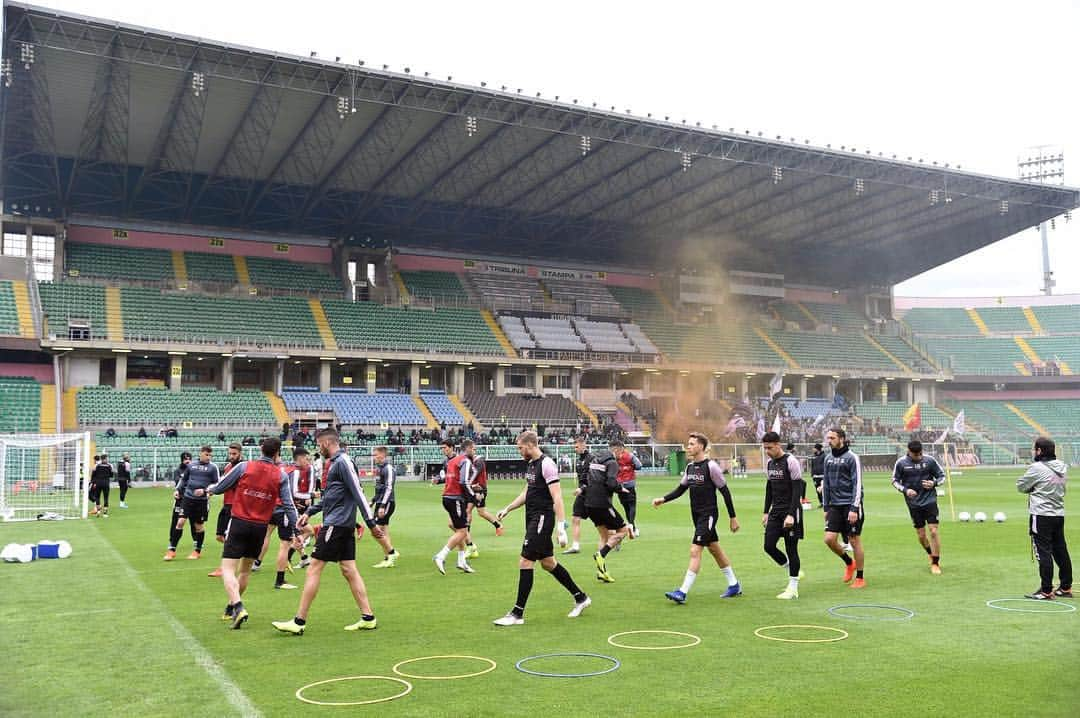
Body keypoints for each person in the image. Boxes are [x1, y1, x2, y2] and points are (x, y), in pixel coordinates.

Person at [272, 429, 384, 635]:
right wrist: (310, 511)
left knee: (314, 567)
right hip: (341, 524)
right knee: (349, 570)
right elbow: (331, 497)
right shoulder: (335, 463)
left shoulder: (343, 462)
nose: (317, 449)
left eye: (318, 445)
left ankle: (299, 621)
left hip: (336, 525)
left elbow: (358, 492)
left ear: (325, 443)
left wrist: (371, 523)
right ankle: (368, 617)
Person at [491, 431, 590, 626]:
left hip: (543, 518)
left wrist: (561, 527)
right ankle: (581, 597)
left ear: (529, 445)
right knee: (548, 563)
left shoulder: (547, 464)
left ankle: (517, 614)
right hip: (532, 517)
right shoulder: (531, 465)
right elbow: (527, 492)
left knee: (525, 561)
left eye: (520, 447)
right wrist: (508, 508)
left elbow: (557, 497)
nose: (519, 451)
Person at [205, 437, 299, 629]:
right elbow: (289, 504)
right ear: (276, 453)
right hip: (259, 527)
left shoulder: (244, 467)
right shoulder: (280, 476)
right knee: (245, 571)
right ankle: (231, 608)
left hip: (239, 522)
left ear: (261, 449)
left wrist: (208, 490)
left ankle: (238, 607)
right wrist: (296, 528)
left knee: (229, 569)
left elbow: (221, 487)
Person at [652, 432, 741, 604]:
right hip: (697, 514)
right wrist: (663, 499)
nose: (688, 447)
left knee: (695, 550)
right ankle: (734, 584)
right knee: (714, 549)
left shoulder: (711, 467)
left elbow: (725, 492)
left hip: (708, 515)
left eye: (692, 444)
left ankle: (682, 592)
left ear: (701, 446)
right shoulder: (690, 468)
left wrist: (733, 517)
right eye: (688, 444)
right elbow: (680, 489)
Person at [1017, 437, 1071, 600]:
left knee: (1043, 551)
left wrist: (1034, 488)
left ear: (1040, 451)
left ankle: (1046, 590)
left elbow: (1021, 486)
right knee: (1060, 550)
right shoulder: (1062, 467)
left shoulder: (1036, 468)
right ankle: (1065, 586)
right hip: (1058, 514)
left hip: (1041, 515)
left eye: (1035, 449)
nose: (1034, 452)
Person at [761, 432, 806, 599]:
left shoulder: (791, 461)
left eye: (770, 448)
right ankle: (791, 569)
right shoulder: (770, 464)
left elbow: (797, 489)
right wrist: (766, 511)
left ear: (778, 445)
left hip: (791, 511)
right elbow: (769, 488)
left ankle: (793, 588)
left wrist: (791, 514)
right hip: (776, 512)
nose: (767, 451)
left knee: (791, 548)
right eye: (765, 448)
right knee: (769, 546)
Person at [891, 440, 946, 574]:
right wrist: (905, 490)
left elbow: (942, 476)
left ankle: (935, 563)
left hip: (930, 500)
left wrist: (933, 483)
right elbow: (894, 481)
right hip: (914, 503)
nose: (919, 456)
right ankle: (930, 553)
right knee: (921, 535)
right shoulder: (901, 463)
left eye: (920, 453)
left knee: (933, 531)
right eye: (916, 455)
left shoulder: (930, 461)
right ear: (909, 452)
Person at [822, 428, 865, 589]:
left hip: (850, 505)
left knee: (854, 540)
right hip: (834, 506)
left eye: (832, 438)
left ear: (842, 439)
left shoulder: (852, 457)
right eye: (828, 438)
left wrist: (854, 508)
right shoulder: (827, 459)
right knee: (829, 539)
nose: (829, 440)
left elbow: (857, 483)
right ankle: (849, 562)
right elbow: (825, 483)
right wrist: (826, 507)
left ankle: (860, 577)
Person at [582, 443, 629, 583]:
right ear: (616, 450)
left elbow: (586, 478)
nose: (621, 457)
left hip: (589, 503)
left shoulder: (595, 459)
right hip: (602, 503)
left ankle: (601, 572)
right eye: (621, 453)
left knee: (603, 536)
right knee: (623, 530)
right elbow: (610, 483)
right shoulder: (612, 463)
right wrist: (621, 489)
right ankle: (601, 554)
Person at [431, 439, 475, 574]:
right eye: (473, 449)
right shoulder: (464, 461)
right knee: (462, 531)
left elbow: (452, 479)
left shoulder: (451, 462)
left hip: (447, 498)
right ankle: (441, 556)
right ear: (466, 449)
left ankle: (461, 561)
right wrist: (473, 496)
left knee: (458, 529)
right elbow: (463, 481)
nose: (474, 451)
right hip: (455, 498)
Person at [174, 446, 220, 560]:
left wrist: (206, 491)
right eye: (206, 454)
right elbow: (184, 479)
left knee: (198, 526)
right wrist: (177, 490)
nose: (208, 457)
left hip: (202, 501)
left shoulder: (213, 468)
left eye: (210, 455)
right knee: (180, 522)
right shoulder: (191, 465)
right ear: (201, 454)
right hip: (188, 498)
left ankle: (197, 551)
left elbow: (217, 483)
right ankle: (171, 550)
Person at [208, 443, 243, 578]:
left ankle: (225, 567)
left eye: (234, 454)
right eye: (230, 453)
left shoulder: (243, 468)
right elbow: (222, 482)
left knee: (229, 538)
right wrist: (212, 490)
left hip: (236, 506)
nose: (231, 456)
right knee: (220, 536)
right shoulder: (228, 467)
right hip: (226, 505)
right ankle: (240, 552)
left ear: (240, 453)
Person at [463, 439, 504, 553]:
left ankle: (498, 525)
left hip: (480, 489)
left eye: (469, 449)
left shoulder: (479, 460)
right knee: (468, 510)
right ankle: (467, 532)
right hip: (472, 489)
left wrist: (469, 484)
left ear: (471, 449)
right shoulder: (469, 460)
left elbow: (474, 473)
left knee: (481, 512)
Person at [370, 446, 401, 568]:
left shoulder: (388, 469)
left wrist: (383, 505)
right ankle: (388, 558)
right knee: (383, 531)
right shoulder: (380, 468)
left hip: (386, 503)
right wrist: (373, 500)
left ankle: (392, 552)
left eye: (376, 455)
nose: (374, 457)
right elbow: (380, 488)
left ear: (382, 455)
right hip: (381, 502)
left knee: (375, 530)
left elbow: (389, 488)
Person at [564, 436, 593, 554]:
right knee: (575, 518)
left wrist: (582, 488)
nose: (575, 449)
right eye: (574, 446)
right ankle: (575, 546)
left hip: (592, 494)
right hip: (582, 494)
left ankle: (617, 536)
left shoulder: (591, 458)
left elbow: (593, 479)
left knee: (601, 522)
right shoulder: (578, 460)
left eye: (576, 446)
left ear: (583, 445)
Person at [163, 452, 192, 561]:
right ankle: (172, 540)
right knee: (176, 520)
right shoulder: (178, 471)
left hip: (191, 499)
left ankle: (196, 543)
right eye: (185, 459)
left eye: (189, 458)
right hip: (180, 499)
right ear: (181, 460)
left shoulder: (193, 470)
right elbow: (178, 482)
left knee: (194, 521)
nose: (187, 460)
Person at [611, 441, 642, 537]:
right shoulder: (630, 456)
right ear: (623, 447)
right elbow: (639, 466)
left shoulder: (614, 457)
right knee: (632, 505)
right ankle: (631, 525)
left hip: (619, 486)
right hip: (630, 484)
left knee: (626, 507)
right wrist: (630, 467)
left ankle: (633, 527)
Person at [810, 443, 825, 508]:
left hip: (823, 476)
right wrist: (812, 474)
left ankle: (825, 502)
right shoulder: (813, 456)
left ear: (817, 449)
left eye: (814, 448)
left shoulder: (824, 456)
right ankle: (821, 502)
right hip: (815, 477)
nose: (813, 449)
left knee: (823, 490)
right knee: (817, 490)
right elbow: (812, 466)